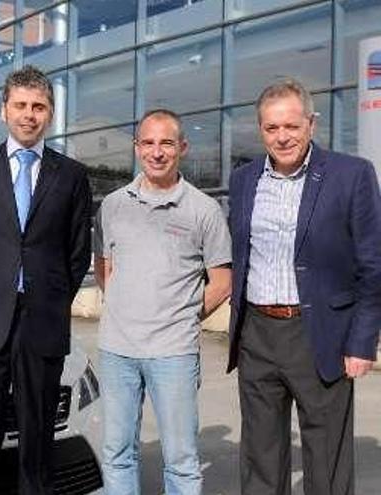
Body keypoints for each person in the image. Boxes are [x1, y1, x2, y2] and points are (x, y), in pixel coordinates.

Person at [0, 65, 92, 495]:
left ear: (51, 114)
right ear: (4, 110)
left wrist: (52, 298)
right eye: (21, 105)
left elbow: (77, 252)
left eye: (39, 106)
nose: (30, 114)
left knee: (38, 442)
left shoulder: (72, 176)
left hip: (42, 323)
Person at [227, 78, 381, 494]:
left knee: (326, 459)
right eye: (272, 128)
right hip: (257, 334)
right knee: (260, 457)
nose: (282, 137)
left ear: (311, 124)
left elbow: (373, 264)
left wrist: (362, 341)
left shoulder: (352, 175)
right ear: (261, 130)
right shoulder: (243, 180)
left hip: (321, 335)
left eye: (291, 126)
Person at [93, 109, 232, 494]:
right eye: (148, 143)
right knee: (117, 453)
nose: (157, 152)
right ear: (137, 148)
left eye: (166, 143)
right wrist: (128, 304)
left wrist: (182, 315)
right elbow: (104, 269)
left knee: (182, 461)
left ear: (182, 148)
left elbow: (222, 283)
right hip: (117, 350)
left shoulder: (204, 210)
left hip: (173, 352)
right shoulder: (113, 206)